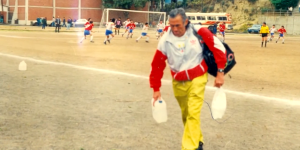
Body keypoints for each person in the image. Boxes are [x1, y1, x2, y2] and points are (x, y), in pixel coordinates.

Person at [149, 8, 227, 150]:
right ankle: (198, 141)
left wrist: (220, 72)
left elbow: (219, 49)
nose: (174, 29)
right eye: (171, 25)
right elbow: (157, 65)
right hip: (178, 81)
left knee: (193, 113)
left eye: (177, 25)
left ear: (185, 21)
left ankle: (189, 147)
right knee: (186, 114)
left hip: (198, 78)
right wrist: (156, 89)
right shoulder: (165, 40)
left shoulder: (199, 32)